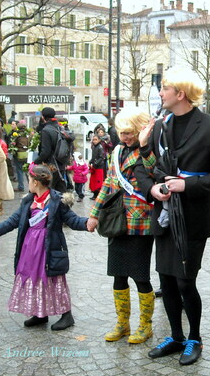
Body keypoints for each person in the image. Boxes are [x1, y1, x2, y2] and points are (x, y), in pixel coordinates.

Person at [136, 67, 210, 366]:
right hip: (165, 215)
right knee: (167, 279)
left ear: (181, 94)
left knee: (186, 281)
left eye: (165, 88)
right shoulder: (161, 127)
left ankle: (195, 338)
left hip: (192, 218)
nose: (160, 93)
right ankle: (176, 336)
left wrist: (187, 184)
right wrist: (154, 189)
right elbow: (146, 167)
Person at [0, 165, 90, 330]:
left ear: (36, 183)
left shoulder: (56, 201)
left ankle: (67, 315)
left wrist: (87, 223)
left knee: (54, 280)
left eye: (30, 181)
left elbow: (72, 220)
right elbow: (13, 221)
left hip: (48, 249)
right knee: (34, 279)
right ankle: (40, 313)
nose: (29, 184)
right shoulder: (29, 201)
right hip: (30, 249)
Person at [88, 108, 156, 344]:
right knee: (118, 275)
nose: (125, 137)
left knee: (140, 276)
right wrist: (94, 214)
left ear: (140, 129)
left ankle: (145, 326)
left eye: (129, 133)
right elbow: (109, 183)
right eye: (122, 132)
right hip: (117, 221)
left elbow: (152, 170)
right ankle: (122, 323)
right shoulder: (116, 151)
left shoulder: (148, 150)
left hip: (141, 222)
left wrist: (146, 143)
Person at [33, 107, 67, 192]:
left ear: (43, 117)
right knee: (60, 191)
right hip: (61, 163)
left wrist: (35, 162)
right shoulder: (60, 128)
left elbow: (45, 152)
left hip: (51, 166)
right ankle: (63, 204)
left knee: (49, 191)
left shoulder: (46, 130)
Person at [8, 122, 29, 192]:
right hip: (26, 154)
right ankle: (31, 186)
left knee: (19, 171)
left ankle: (21, 186)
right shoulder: (27, 135)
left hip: (18, 155)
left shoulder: (16, 135)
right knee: (27, 171)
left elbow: (13, 144)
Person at [89, 135, 106, 200]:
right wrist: (90, 162)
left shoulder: (100, 147)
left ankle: (97, 195)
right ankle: (95, 194)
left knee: (98, 182)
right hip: (95, 167)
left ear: (99, 140)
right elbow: (93, 157)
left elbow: (101, 157)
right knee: (94, 181)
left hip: (99, 167)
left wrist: (95, 164)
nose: (94, 141)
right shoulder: (94, 147)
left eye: (96, 139)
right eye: (93, 140)